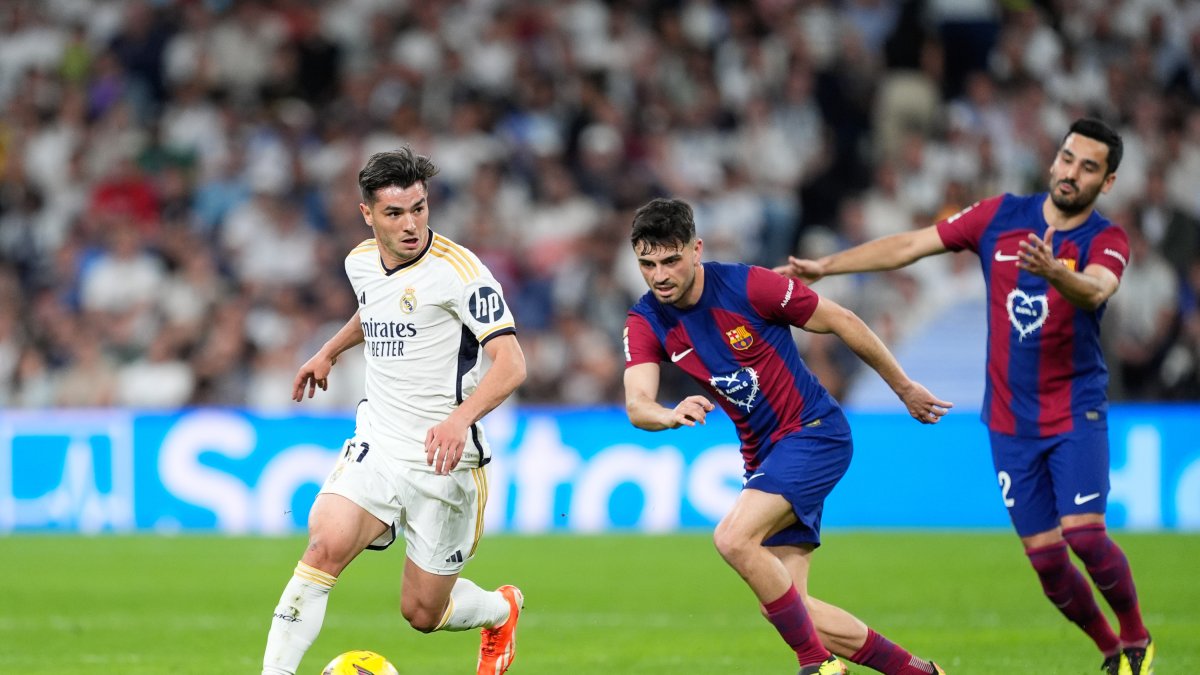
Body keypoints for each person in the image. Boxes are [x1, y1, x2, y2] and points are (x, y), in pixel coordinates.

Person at [776, 117, 1154, 675]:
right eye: (1068, 158)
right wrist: (829, 265)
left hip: (1075, 409)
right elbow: (912, 244)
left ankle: (1136, 639)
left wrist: (1055, 274)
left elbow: (1099, 287)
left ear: (1108, 182)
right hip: (1007, 419)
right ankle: (1107, 650)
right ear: (1054, 160)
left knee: (1086, 538)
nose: (1073, 172)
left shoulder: (1105, 239)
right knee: (1048, 563)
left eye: (1089, 166)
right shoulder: (1001, 216)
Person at [622, 197, 953, 675]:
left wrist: (903, 387)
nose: (660, 275)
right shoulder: (645, 319)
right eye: (647, 264)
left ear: (696, 249)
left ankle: (818, 666)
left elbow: (842, 320)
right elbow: (637, 404)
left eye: (671, 260)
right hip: (762, 456)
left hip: (814, 433)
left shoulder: (748, 285)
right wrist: (668, 414)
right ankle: (919, 672)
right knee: (790, 606)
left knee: (734, 539)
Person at [262, 148, 527, 675]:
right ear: (367, 214)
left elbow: (512, 363)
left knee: (423, 612)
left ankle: (501, 609)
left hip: (444, 463)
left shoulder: (461, 273)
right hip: (378, 441)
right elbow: (374, 306)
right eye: (394, 213)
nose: (411, 225)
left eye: (419, 209)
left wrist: (459, 419)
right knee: (323, 545)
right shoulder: (359, 261)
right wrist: (329, 350)